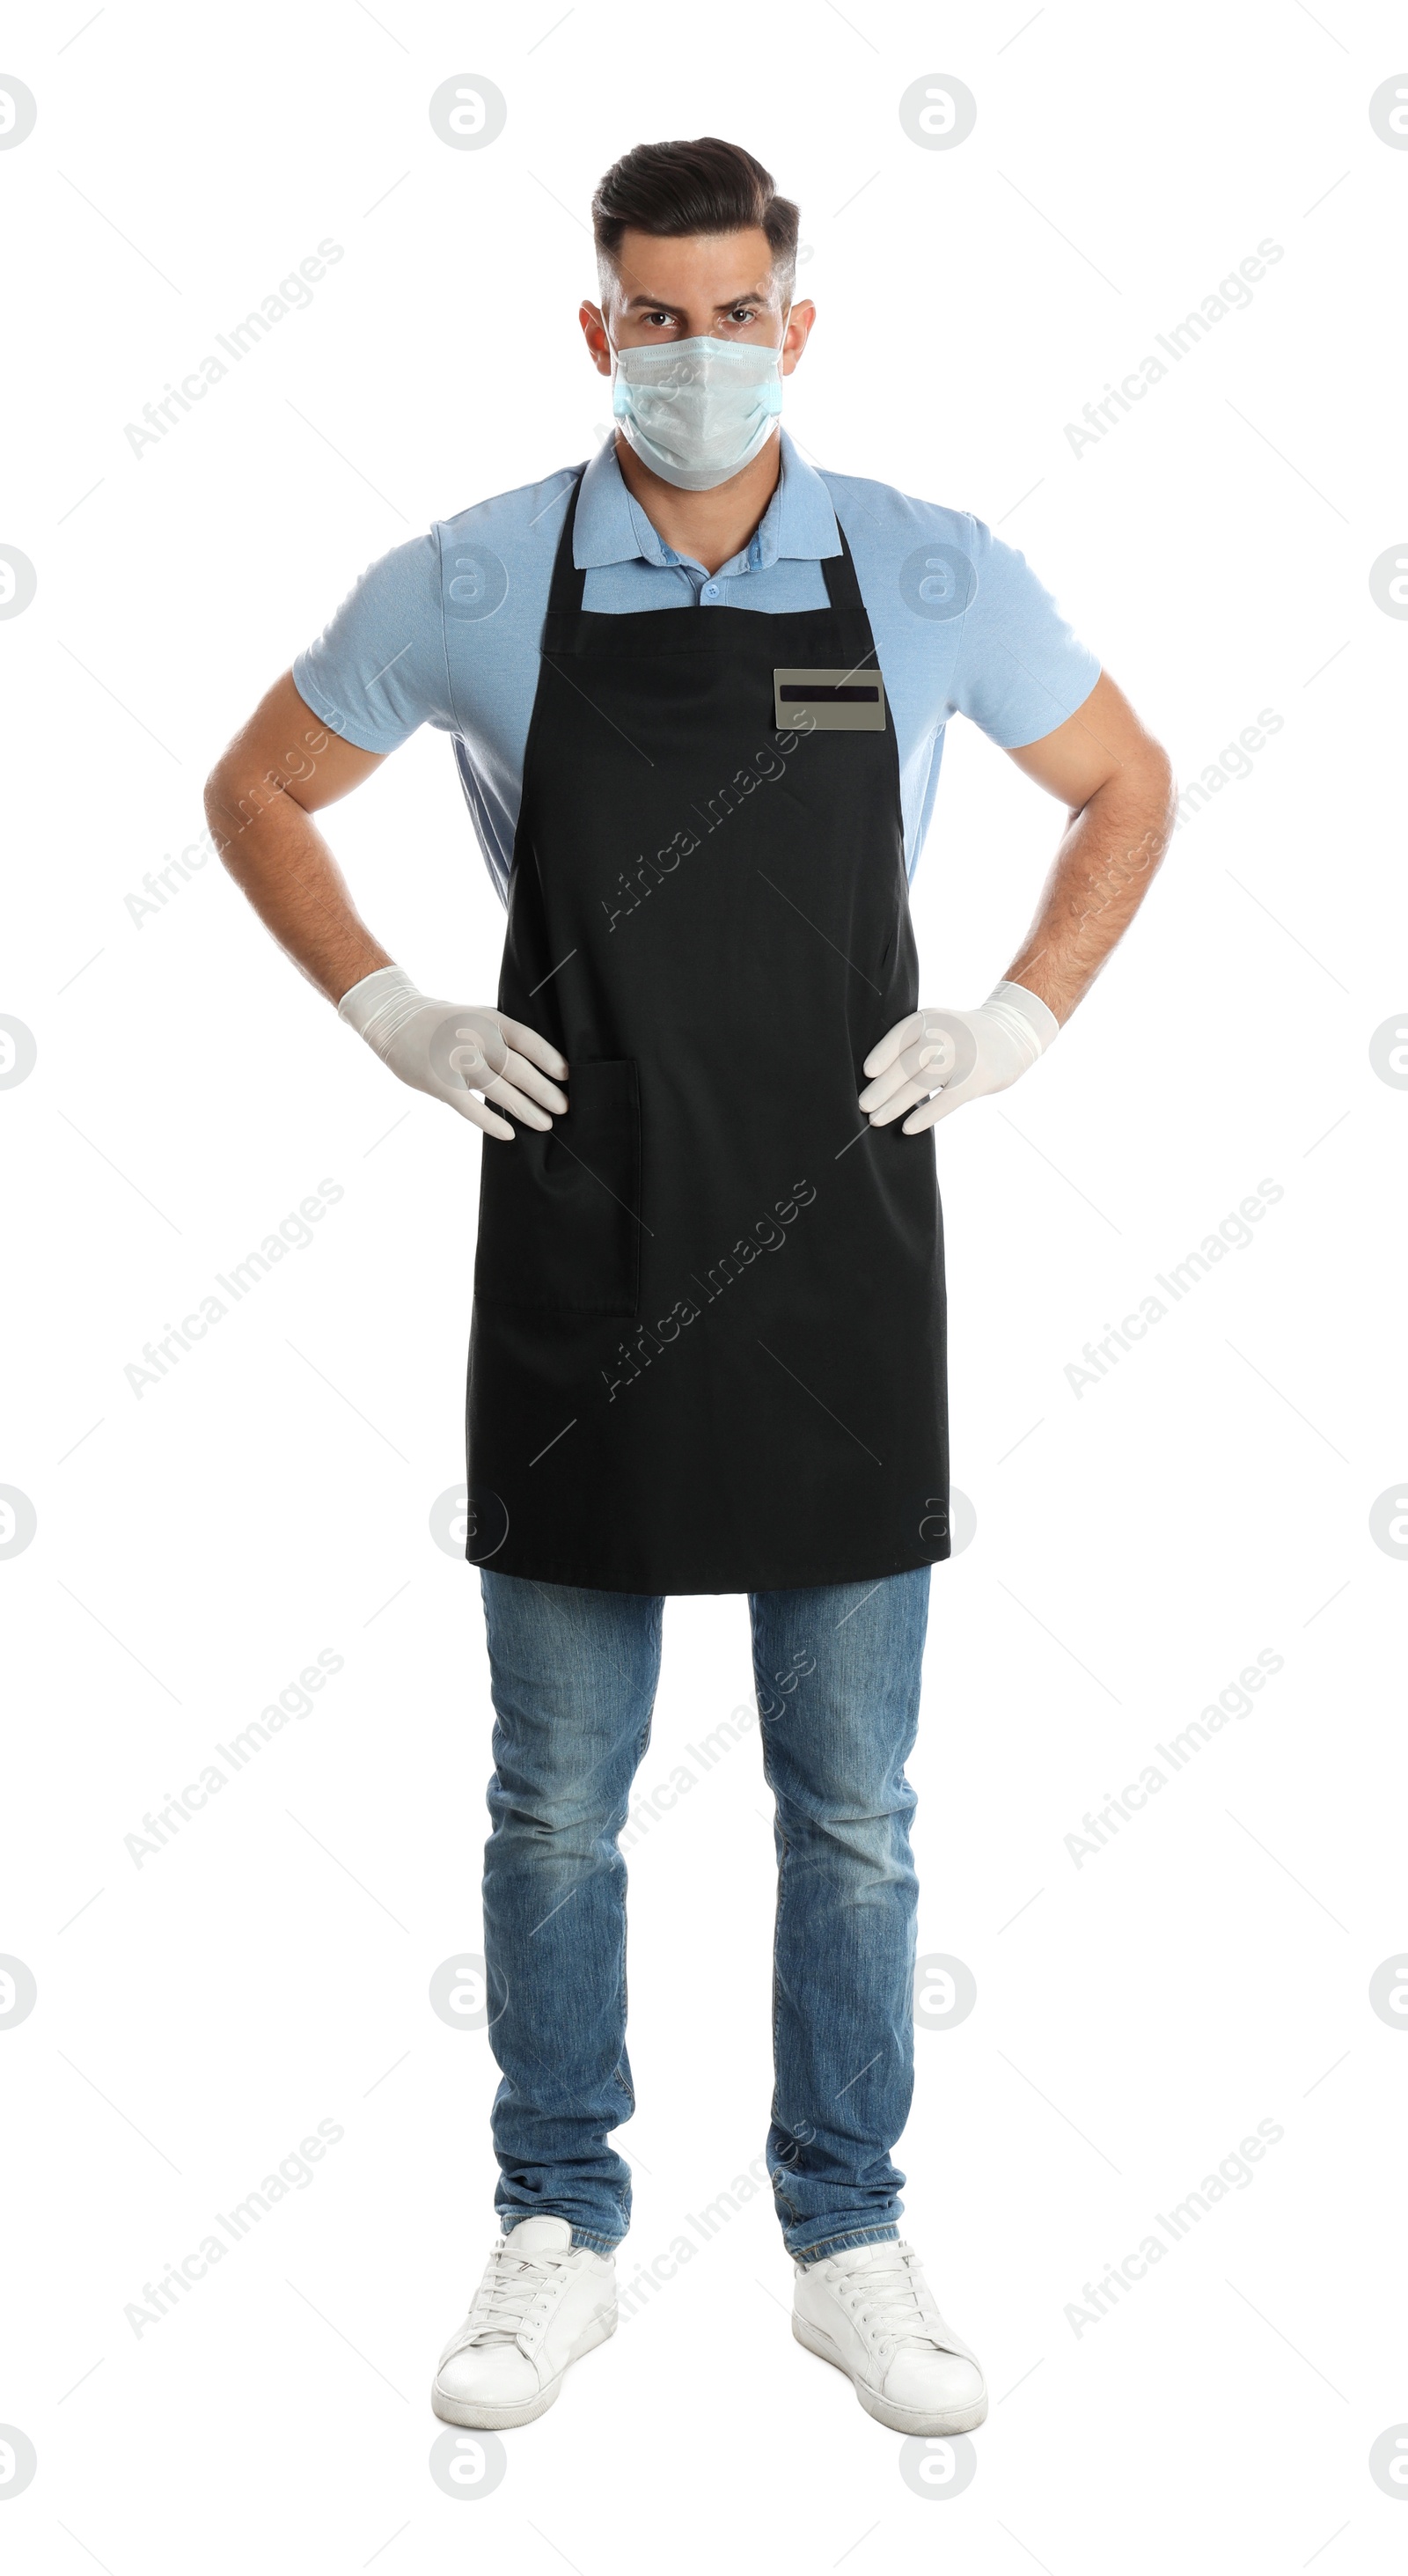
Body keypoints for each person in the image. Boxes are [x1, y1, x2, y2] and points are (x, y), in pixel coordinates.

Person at [205, 135, 1172, 2440]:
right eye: (660, 317)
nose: (703, 358)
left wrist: (1025, 1012)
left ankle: (849, 2236)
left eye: (740, 315)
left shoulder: (928, 572)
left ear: (797, 327)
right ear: (598, 331)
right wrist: (397, 1016)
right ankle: (559, 2221)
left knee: (855, 1811)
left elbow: (1123, 784)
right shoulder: (468, 579)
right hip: (580, 1254)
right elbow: (257, 789)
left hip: (842, 1263)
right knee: (558, 1799)